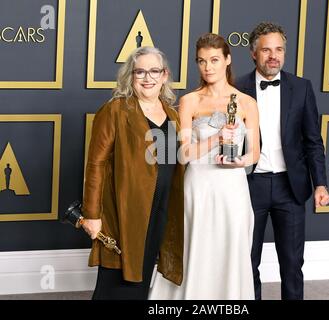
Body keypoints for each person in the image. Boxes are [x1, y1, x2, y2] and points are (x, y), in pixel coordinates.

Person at [149, 33, 260, 300]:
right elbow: (184, 154)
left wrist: (240, 161)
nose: (208, 67)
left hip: (232, 187)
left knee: (231, 248)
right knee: (196, 248)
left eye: (214, 60)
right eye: (201, 61)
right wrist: (216, 138)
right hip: (198, 185)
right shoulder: (190, 101)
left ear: (227, 60)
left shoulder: (247, 102)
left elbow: (255, 152)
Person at [235, 22, 329, 300]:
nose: (273, 56)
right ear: (254, 53)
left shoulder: (301, 88)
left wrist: (320, 184)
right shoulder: (236, 88)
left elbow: (313, 140)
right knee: (246, 262)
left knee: (292, 264)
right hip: (248, 186)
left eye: (279, 49)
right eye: (266, 50)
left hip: (291, 187)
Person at [81, 46, 184, 300]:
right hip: (124, 212)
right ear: (131, 76)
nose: (147, 78)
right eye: (140, 72)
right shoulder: (115, 110)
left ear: (164, 75)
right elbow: (96, 165)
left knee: (142, 277)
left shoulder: (171, 114)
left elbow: (170, 164)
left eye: (154, 71)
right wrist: (92, 215)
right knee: (115, 281)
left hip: (160, 211)